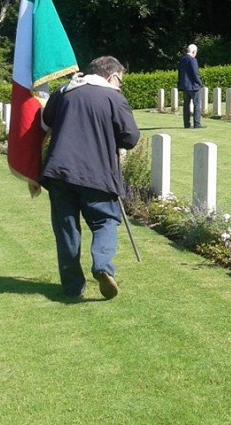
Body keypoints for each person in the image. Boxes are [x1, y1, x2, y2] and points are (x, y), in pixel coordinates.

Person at [40, 56, 140, 299]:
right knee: (104, 221)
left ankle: (73, 287)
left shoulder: (62, 93)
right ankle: (103, 266)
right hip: (97, 172)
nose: (121, 86)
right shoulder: (113, 97)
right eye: (121, 81)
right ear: (112, 77)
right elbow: (131, 138)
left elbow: (45, 122)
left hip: (59, 172)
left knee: (66, 230)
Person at [178, 43, 205, 129]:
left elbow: (180, 74)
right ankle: (197, 123)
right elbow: (195, 73)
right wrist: (200, 83)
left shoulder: (182, 60)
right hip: (193, 86)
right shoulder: (192, 60)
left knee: (186, 105)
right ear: (193, 51)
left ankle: (186, 124)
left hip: (185, 86)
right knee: (197, 104)